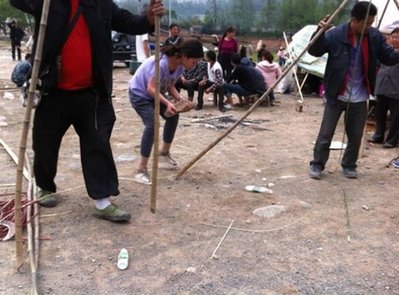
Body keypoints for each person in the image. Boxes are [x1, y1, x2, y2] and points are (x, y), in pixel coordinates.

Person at [10, 0, 165, 222]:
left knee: (98, 143)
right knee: (45, 143)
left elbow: (130, 23)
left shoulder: (101, 4)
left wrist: (149, 18)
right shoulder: (48, 2)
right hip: (53, 91)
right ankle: (44, 186)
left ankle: (102, 201)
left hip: (91, 93)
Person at [308, 1, 399, 180]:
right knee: (326, 133)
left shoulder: (374, 37)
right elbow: (314, 51)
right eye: (366, 23)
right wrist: (319, 34)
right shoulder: (335, 35)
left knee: (356, 135)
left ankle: (349, 165)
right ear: (354, 20)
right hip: (337, 92)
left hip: (360, 95)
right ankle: (317, 164)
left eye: (372, 23)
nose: (369, 26)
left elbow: (388, 58)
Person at [128, 39, 204, 185]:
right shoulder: (161, 64)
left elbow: (169, 85)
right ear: (185, 56)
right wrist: (168, 102)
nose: (194, 66)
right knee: (153, 124)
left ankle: (163, 154)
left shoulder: (180, 66)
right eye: (194, 62)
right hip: (140, 94)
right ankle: (141, 169)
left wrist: (179, 100)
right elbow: (151, 88)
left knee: (173, 115)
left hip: (156, 93)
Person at [369, 28, 399, 149]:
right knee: (379, 114)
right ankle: (378, 135)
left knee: (396, 117)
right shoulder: (386, 51)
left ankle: (392, 140)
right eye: (394, 37)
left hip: (396, 90)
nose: (395, 39)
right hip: (382, 87)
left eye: (398, 37)